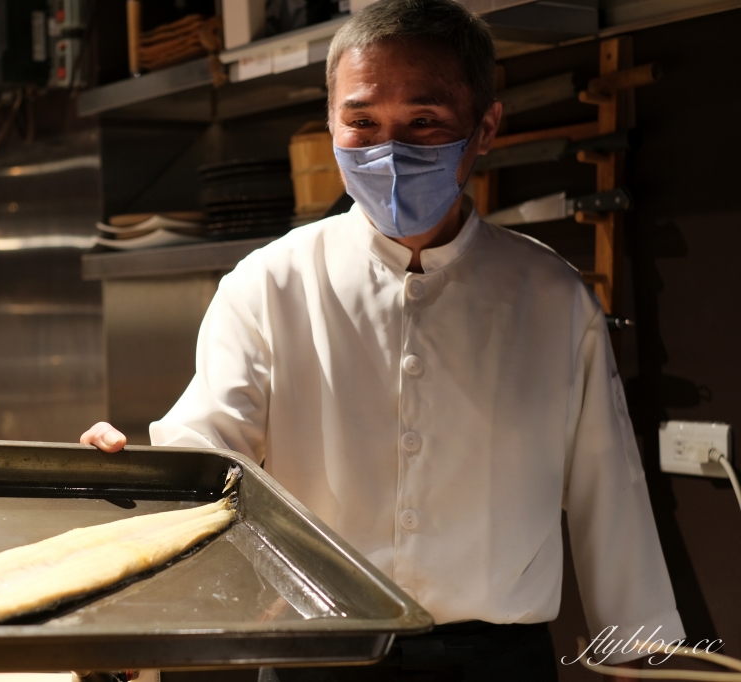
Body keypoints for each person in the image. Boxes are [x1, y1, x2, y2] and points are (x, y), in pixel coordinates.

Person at [82, 1, 684, 679]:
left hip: (493, 662)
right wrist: (129, 489)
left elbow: (611, 496)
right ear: (332, 117)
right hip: (315, 653)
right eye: (362, 123)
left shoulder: (551, 297)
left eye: (424, 123)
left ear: (485, 125)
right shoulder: (269, 283)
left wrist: (642, 659)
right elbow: (208, 460)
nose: (388, 151)